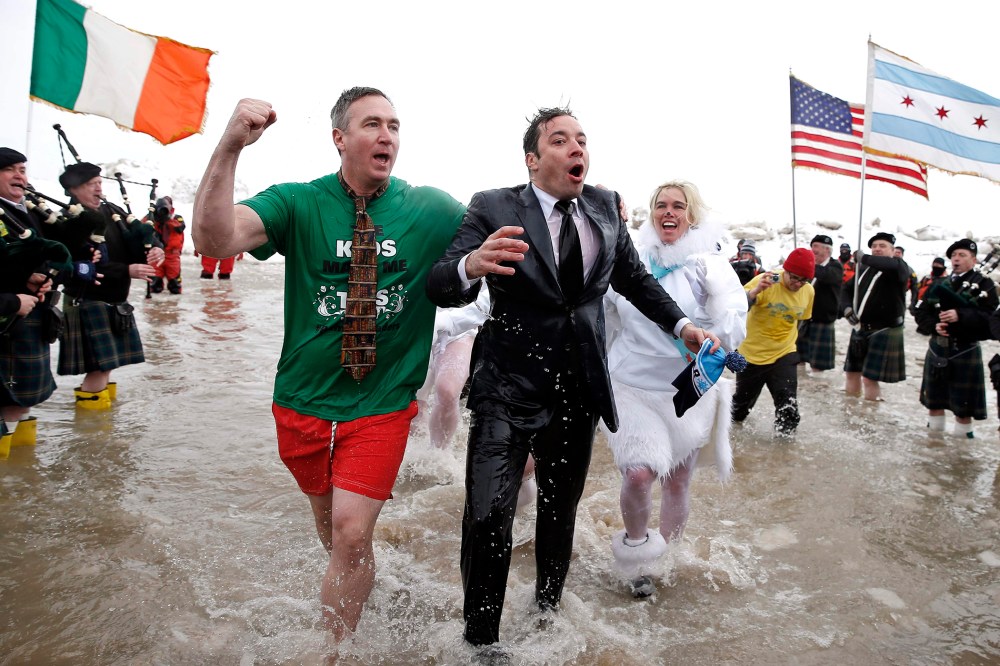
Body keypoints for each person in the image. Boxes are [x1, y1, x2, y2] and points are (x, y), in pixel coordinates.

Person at [425, 106, 720, 652]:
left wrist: (684, 327)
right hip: (506, 390)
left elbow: (633, 279)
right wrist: (472, 265)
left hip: (576, 389)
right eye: (559, 140)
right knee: (489, 514)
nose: (575, 147)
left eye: (581, 139)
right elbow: (440, 282)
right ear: (534, 160)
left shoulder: (605, 206)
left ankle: (546, 617)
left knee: (559, 513)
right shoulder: (493, 206)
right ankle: (480, 642)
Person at [191, 89, 466, 644]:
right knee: (333, 530)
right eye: (371, 124)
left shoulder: (432, 209)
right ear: (340, 138)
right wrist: (229, 148)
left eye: (393, 125)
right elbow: (212, 238)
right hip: (303, 401)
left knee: (349, 529)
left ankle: (332, 652)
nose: (386, 135)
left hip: (383, 402)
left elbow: (508, 237)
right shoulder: (297, 202)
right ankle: (363, 576)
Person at [601, 180, 746, 598]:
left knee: (678, 481)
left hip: (687, 385)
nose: (669, 212)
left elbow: (734, 315)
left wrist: (716, 335)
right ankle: (637, 553)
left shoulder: (708, 264)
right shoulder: (631, 260)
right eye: (661, 205)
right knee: (639, 473)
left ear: (691, 215)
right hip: (630, 382)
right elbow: (605, 315)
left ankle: (667, 557)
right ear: (651, 213)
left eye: (678, 206)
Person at [56, 163, 163, 409]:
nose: (98, 189)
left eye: (100, 183)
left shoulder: (111, 210)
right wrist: (127, 270)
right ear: (73, 189)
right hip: (87, 299)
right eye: (91, 184)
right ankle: (92, 429)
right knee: (99, 367)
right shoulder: (68, 220)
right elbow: (76, 266)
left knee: (107, 366)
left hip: (113, 300)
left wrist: (155, 247)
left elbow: (139, 236)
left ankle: (103, 422)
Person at [0, 148, 66, 452]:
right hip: (9, 318)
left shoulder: (26, 212)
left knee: (23, 401)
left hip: (30, 312)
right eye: (9, 169)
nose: (19, 176)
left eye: (22, 169)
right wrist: (14, 300)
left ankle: (20, 474)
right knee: (9, 403)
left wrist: (37, 277)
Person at [913, 239, 998, 437]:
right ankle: (934, 445)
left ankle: (961, 455)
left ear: (974, 259)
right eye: (953, 256)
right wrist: (934, 326)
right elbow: (921, 313)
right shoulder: (939, 283)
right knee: (934, 404)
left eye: (962, 255)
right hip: (937, 348)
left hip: (965, 349)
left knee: (963, 410)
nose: (956, 259)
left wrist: (961, 315)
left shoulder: (985, 285)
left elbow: (991, 321)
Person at [732, 248, 815, 435]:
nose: (798, 284)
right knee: (739, 410)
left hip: (784, 352)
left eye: (804, 280)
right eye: (794, 278)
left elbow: (802, 320)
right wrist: (755, 292)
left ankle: (784, 450)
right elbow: (736, 307)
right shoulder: (767, 281)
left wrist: (795, 348)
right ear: (785, 270)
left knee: (788, 406)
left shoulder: (808, 291)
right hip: (752, 354)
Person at [841, 232, 909, 401]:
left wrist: (863, 257)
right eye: (874, 246)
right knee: (851, 373)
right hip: (860, 328)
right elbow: (846, 290)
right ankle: (850, 410)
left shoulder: (898, 267)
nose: (877, 249)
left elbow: (888, 264)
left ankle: (869, 415)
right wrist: (847, 309)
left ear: (893, 250)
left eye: (882, 246)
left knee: (869, 378)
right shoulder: (864, 269)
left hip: (884, 329)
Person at [796, 234, 843, 372]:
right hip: (805, 319)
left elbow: (826, 276)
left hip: (823, 320)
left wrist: (806, 265)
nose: (812, 250)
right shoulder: (812, 267)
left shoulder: (835, 266)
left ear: (827, 250)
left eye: (816, 247)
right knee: (797, 360)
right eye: (812, 246)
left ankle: (818, 386)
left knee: (818, 366)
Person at [148, 195, 185, 294]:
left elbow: (180, 227)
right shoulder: (152, 218)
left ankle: (174, 308)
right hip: (156, 255)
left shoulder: (177, 218)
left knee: (175, 286)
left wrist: (168, 218)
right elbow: (141, 226)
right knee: (155, 285)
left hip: (172, 255)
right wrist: (152, 215)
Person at [894, 245, 919, 311]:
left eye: (898, 252)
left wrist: (913, 302)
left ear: (902, 254)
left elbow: (915, 287)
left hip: (900, 296)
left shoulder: (908, 269)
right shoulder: (885, 265)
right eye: (895, 252)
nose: (896, 254)